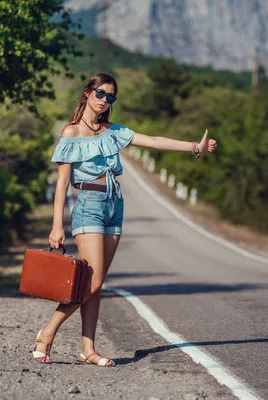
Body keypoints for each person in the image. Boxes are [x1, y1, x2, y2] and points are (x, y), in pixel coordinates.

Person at [33, 72, 217, 367]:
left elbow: (154, 141)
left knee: (98, 282)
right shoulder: (71, 133)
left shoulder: (114, 131)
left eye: (111, 97)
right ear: (87, 93)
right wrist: (57, 226)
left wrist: (195, 147)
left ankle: (87, 350)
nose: (105, 100)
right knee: (90, 283)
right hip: (89, 205)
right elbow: (62, 182)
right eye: (100, 94)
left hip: (115, 206)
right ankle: (47, 332)